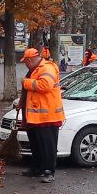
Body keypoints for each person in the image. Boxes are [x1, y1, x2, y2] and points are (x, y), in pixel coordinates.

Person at [19, 48, 65, 183]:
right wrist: (22, 103)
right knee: (36, 144)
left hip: (47, 117)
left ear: (30, 60)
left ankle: (49, 171)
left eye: (26, 62)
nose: (25, 65)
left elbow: (45, 86)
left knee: (48, 146)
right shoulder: (35, 69)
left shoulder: (47, 68)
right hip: (35, 117)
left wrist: (25, 82)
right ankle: (37, 168)